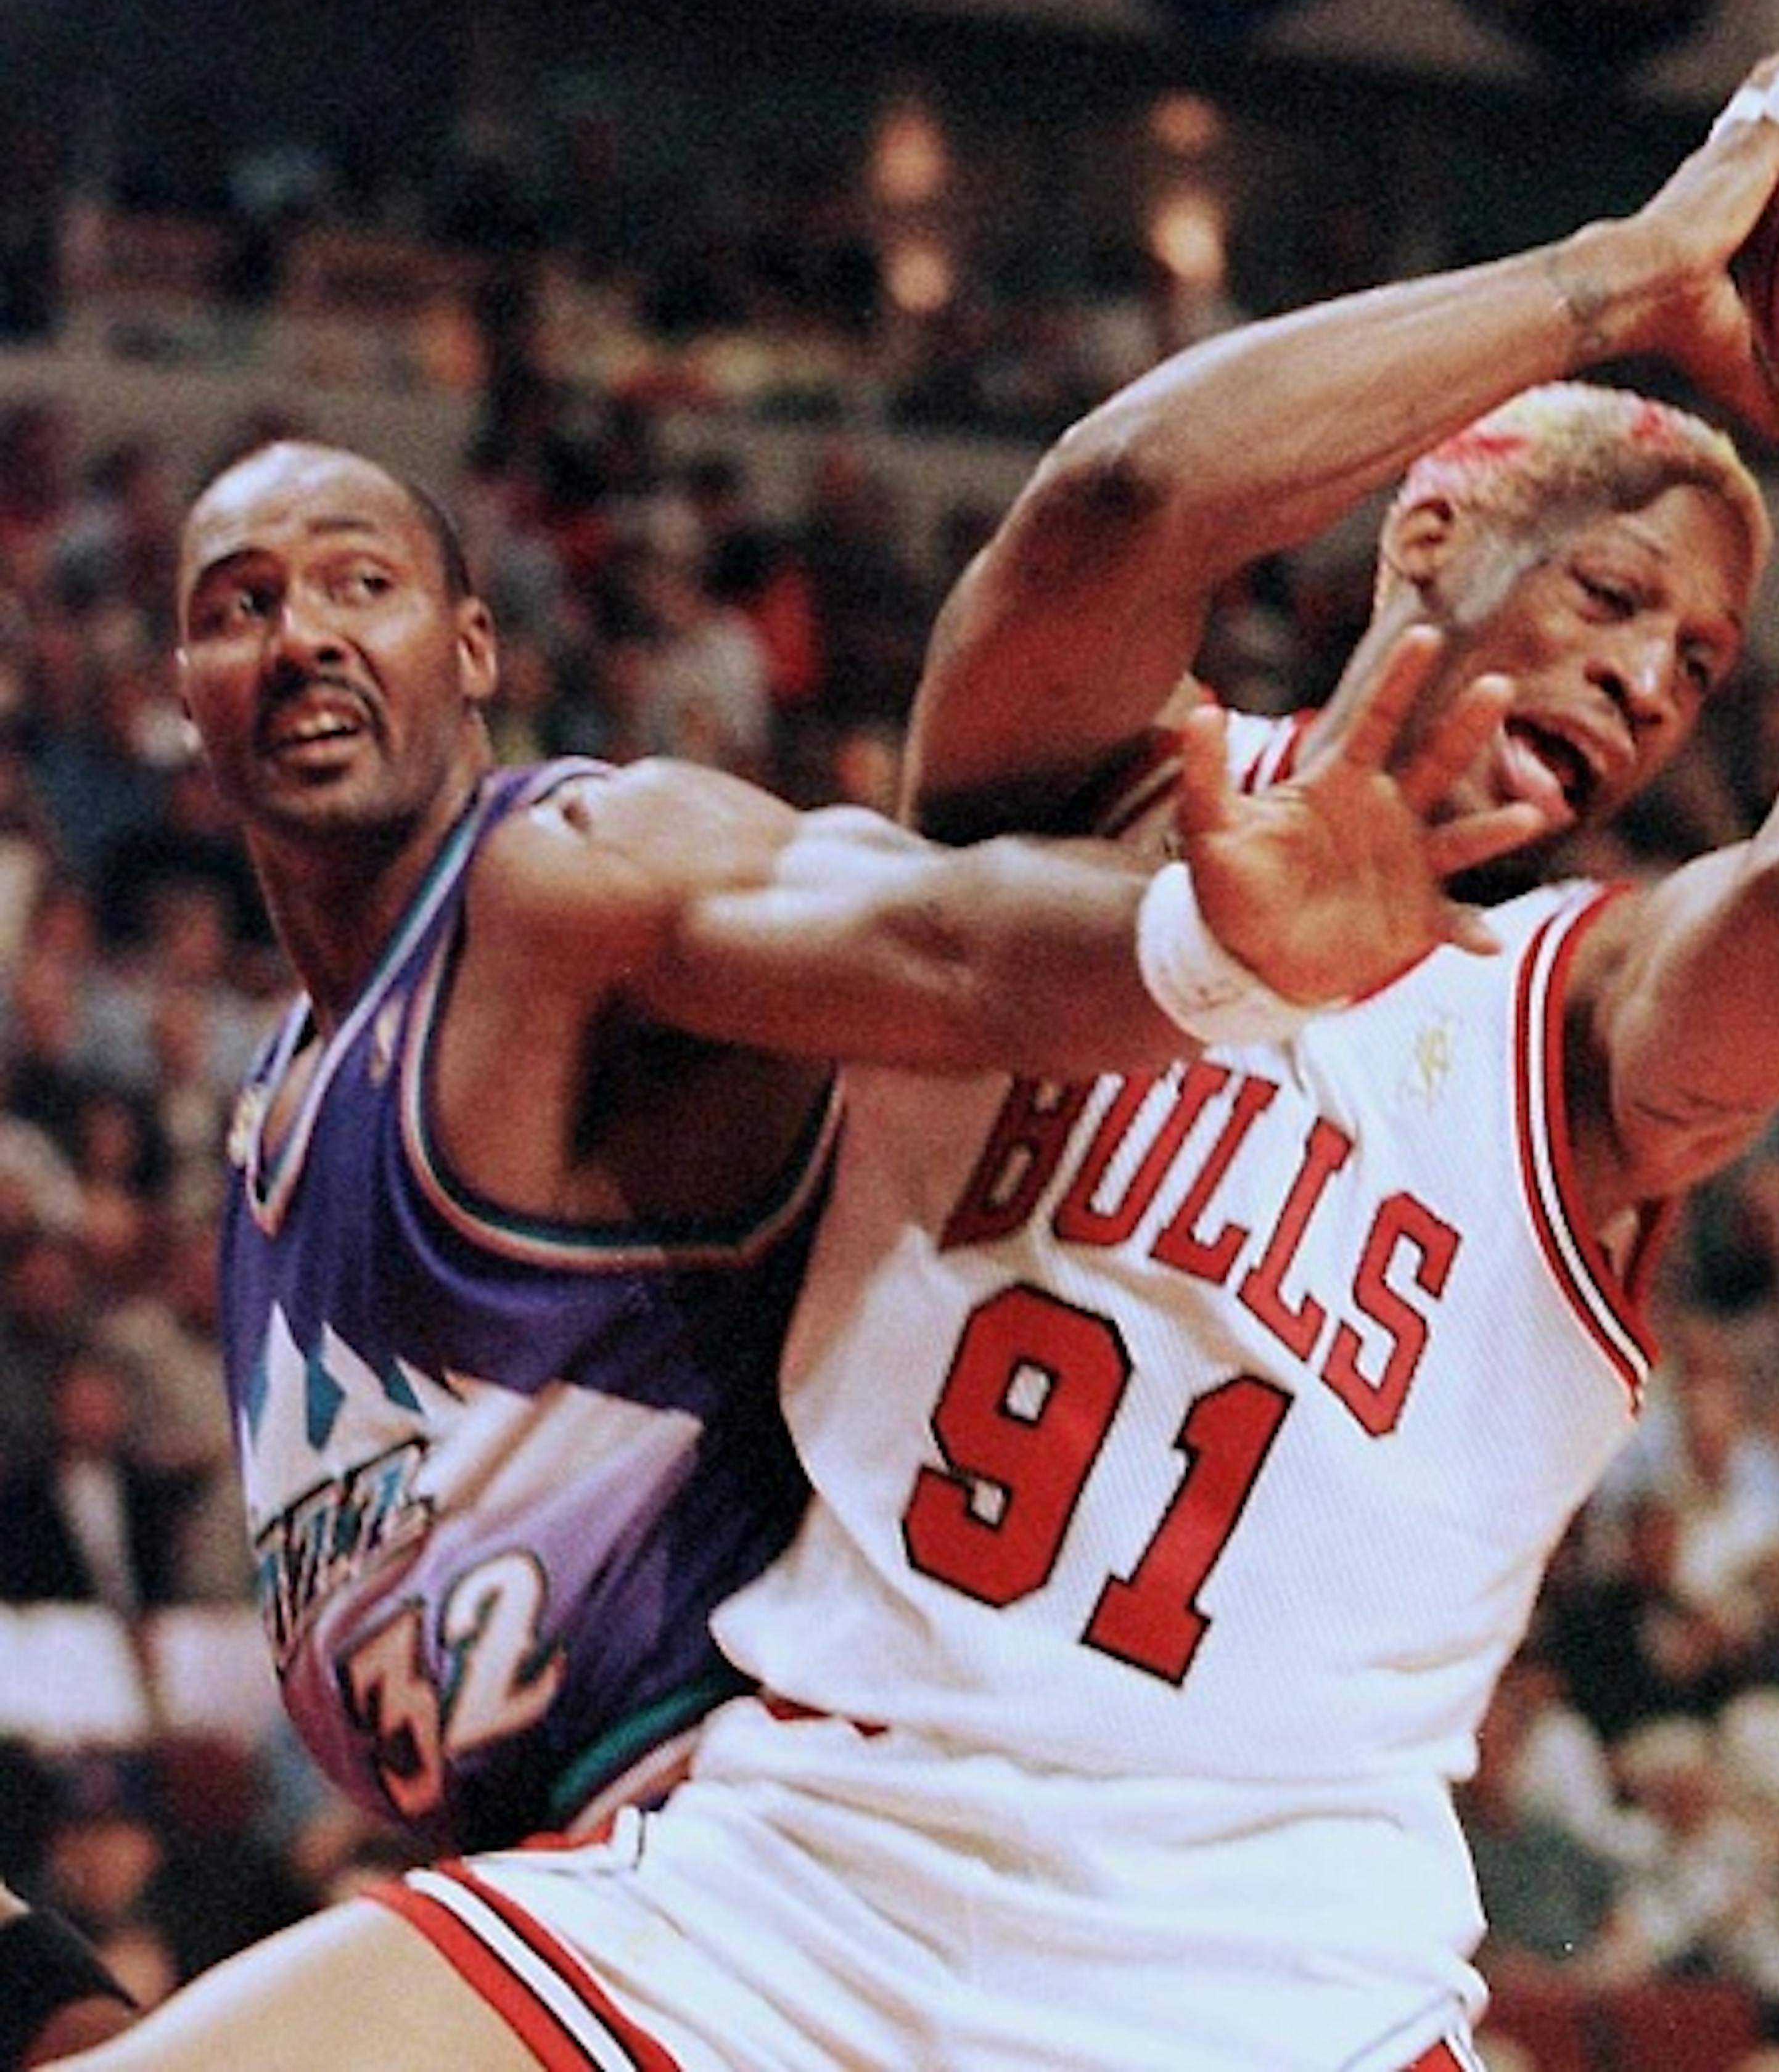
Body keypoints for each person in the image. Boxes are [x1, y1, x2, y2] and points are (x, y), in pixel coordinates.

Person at [24, 23, 1779, 2070]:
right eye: (1614, 596)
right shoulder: (1098, 807)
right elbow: (1111, 505)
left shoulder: (1575, 1032)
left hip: (1285, 1994)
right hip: (799, 1883)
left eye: (1699, 664)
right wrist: (1626, 273)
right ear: (1434, 526)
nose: (1658, 681)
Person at [0, 432, 1535, 2063]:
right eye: (240, 604)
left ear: (474, 649)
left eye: (356, 584)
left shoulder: (582, 869)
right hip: (583, 1899)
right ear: (181, 691)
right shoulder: (276, 1119)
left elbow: (928, 936)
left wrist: (1197, 950)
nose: (299, 631)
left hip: (798, 1877)